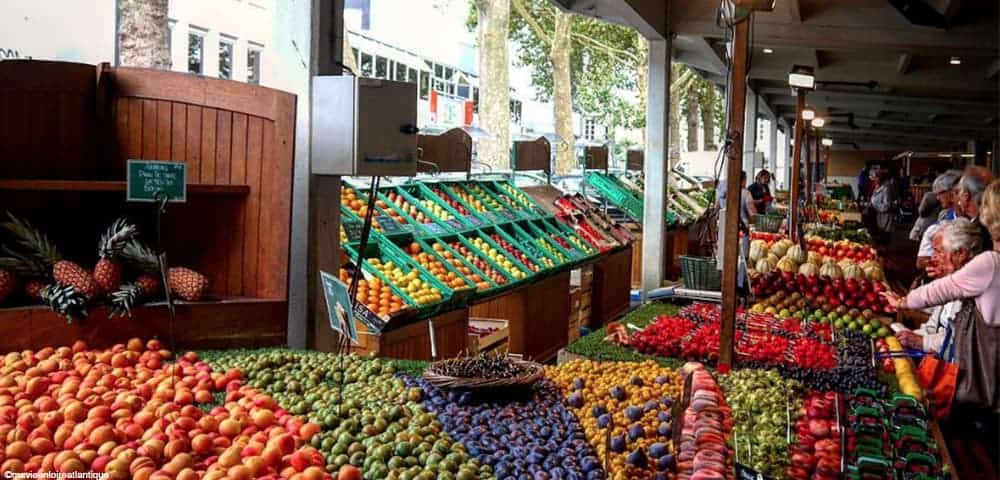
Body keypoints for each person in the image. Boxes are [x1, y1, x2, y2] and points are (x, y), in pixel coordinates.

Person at [896, 219, 983, 356]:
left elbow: (962, 343)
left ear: (960, 254)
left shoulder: (974, 288)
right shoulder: (949, 281)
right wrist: (910, 336)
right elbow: (933, 325)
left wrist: (922, 341)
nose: (933, 257)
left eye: (939, 251)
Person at [915, 171, 961, 268]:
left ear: (952, 192)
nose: (937, 197)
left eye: (939, 193)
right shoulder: (942, 221)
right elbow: (921, 262)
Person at [955, 166, 996, 249]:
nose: (956, 196)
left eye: (958, 191)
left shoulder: (977, 230)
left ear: (966, 196)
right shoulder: (993, 222)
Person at [871, 169, 895, 246]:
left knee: (884, 238)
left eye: (875, 178)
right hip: (879, 216)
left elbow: (886, 206)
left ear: (880, 178)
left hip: (885, 217)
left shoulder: (886, 188)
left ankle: (885, 253)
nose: (874, 180)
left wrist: (874, 205)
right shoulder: (878, 186)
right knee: (880, 237)